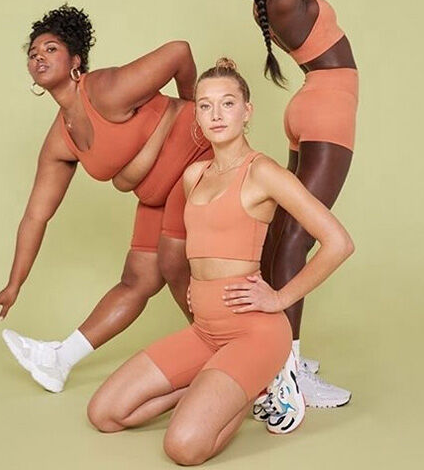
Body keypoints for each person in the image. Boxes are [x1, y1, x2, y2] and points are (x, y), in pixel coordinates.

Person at [86, 58, 354, 464]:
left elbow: (338, 242)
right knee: (105, 413)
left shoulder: (263, 172)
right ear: (196, 114)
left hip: (253, 333)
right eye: (206, 105)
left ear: (247, 111)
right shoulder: (195, 176)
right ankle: (239, 388)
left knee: (183, 447)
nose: (216, 114)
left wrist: (280, 299)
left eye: (227, 103)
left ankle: (260, 381)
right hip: (205, 332)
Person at [0, 4, 211, 392]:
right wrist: (14, 284)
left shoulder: (103, 90)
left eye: (50, 49)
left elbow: (179, 52)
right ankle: (57, 361)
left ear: (75, 61)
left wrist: (193, 109)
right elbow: (36, 215)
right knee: (137, 280)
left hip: (198, 165)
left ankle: (231, 355)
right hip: (160, 197)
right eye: (33, 53)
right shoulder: (59, 140)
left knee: (173, 264)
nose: (38, 57)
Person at [209, 0, 359, 412]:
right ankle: (288, 369)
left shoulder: (265, 1)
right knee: (299, 237)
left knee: (282, 236)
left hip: (309, 104)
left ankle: (273, 347)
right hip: (327, 108)